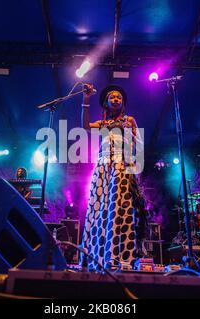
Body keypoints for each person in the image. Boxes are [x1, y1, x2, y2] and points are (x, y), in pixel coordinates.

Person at [79, 83, 148, 271]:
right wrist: (85, 100)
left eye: (119, 97)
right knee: (100, 208)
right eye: (112, 97)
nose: (116, 98)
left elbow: (138, 146)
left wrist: (134, 165)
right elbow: (85, 126)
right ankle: (98, 255)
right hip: (103, 166)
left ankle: (119, 256)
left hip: (122, 164)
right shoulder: (103, 123)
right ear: (106, 103)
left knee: (120, 209)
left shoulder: (130, 121)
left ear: (122, 102)